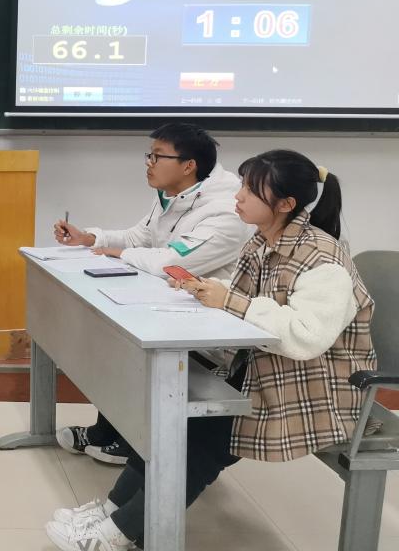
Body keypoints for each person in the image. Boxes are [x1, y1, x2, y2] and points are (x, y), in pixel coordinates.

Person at [46, 150, 376, 551]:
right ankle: (113, 513)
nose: (238, 196)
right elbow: (251, 298)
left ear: (285, 204)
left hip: (313, 390)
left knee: (201, 437)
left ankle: (116, 534)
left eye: (251, 190)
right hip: (266, 370)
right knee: (173, 422)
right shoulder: (264, 240)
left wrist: (229, 301)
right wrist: (206, 288)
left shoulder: (324, 260)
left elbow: (306, 337)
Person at [52, 123, 251, 466]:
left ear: (188, 165)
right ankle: (107, 432)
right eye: (150, 155)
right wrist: (90, 238)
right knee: (114, 337)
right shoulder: (175, 194)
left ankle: (133, 440)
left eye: (158, 156)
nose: (149, 163)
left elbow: (171, 263)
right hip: (171, 305)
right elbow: (139, 237)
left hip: (209, 324)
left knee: (129, 347)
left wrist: (120, 254)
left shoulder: (225, 211)